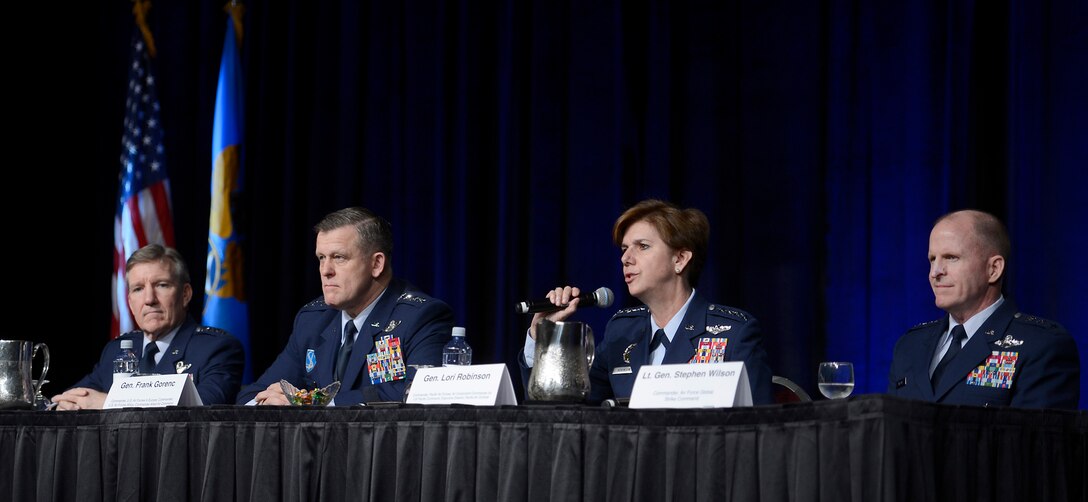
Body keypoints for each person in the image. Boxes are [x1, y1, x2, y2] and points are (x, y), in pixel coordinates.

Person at [519, 199, 774, 405]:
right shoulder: (622, 331)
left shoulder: (735, 333)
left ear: (680, 259)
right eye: (624, 249)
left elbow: (759, 432)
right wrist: (543, 338)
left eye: (642, 246)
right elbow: (567, 410)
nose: (626, 259)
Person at [238, 207, 454, 405]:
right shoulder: (312, 320)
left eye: (338, 257)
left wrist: (310, 402)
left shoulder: (420, 316)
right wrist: (268, 402)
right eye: (321, 258)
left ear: (376, 264)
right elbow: (252, 395)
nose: (325, 270)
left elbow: (420, 392)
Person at [887, 210, 1080, 409]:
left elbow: (1033, 438)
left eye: (951, 257)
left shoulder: (1041, 346)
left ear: (993, 269)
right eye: (932, 259)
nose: (935, 272)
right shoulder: (909, 346)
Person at [51, 244, 245, 410]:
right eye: (138, 289)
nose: (149, 299)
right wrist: (67, 403)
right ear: (129, 302)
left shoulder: (217, 349)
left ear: (185, 294)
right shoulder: (116, 350)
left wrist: (110, 402)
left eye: (161, 285)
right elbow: (75, 396)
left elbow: (201, 412)